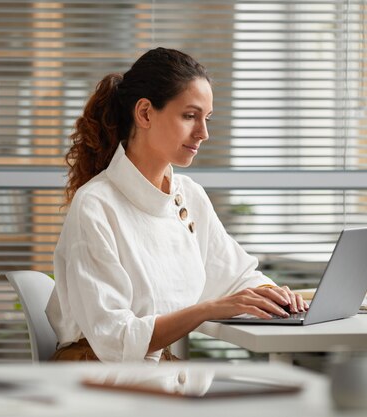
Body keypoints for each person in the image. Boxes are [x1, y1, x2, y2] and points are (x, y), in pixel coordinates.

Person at [45, 48, 308, 363]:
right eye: (189, 116)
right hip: (96, 375)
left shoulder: (189, 195)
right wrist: (206, 310)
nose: (204, 133)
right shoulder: (96, 204)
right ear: (144, 114)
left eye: (206, 118)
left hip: (153, 373)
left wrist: (278, 297)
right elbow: (114, 340)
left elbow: (235, 275)